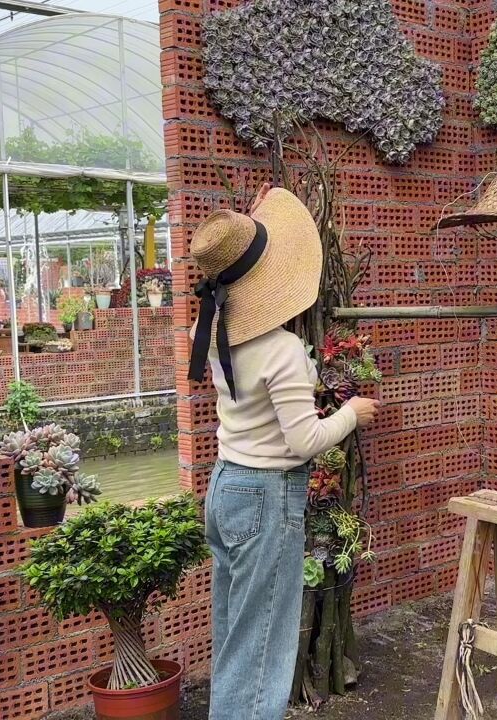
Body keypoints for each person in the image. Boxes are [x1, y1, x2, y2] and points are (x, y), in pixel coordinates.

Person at [187, 184, 380, 720]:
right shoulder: (283, 350)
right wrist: (352, 413)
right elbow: (304, 441)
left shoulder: (220, 334)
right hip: (268, 495)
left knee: (236, 639)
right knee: (265, 644)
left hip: (227, 487)